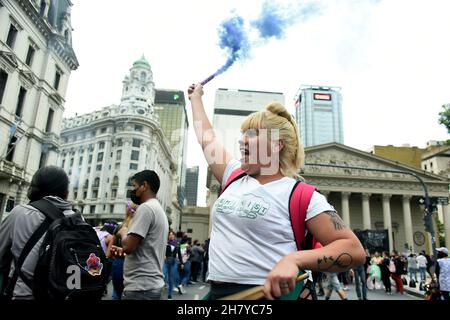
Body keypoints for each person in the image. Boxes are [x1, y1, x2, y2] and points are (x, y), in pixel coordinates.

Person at [187, 83, 365, 300]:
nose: (242, 139)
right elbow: (206, 137)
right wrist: (196, 98)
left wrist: (295, 260)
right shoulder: (232, 175)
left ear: (276, 144)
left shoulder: (302, 196)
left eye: (252, 134)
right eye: (243, 134)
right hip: (218, 294)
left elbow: (354, 250)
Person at [0, 166, 75, 299]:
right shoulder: (77, 219)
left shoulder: (19, 213)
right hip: (64, 294)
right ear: (66, 192)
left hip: (25, 295)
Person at [110, 170, 168, 300]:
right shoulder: (158, 209)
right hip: (150, 286)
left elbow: (129, 247)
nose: (133, 190)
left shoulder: (146, 208)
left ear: (144, 185)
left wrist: (123, 232)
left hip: (140, 289)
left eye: (135, 186)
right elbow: (146, 247)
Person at [107, 201, 138, 300]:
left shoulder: (119, 227)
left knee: (116, 293)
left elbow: (109, 251)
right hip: (135, 264)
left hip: (118, 262)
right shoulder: (139, 228)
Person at [163, 230, 183, 300]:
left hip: (173, 262)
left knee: (171, 278)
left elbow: (179, 254)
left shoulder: (177, 244)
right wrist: (163, 255)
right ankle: (159, 292)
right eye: (169, 235)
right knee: (163, 275)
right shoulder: (165, 243)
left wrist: (181, 263)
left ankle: (169, 294)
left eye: (172, 234)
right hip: (165, 261)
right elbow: (161, 250)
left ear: (174, 236)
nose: (171, 236)